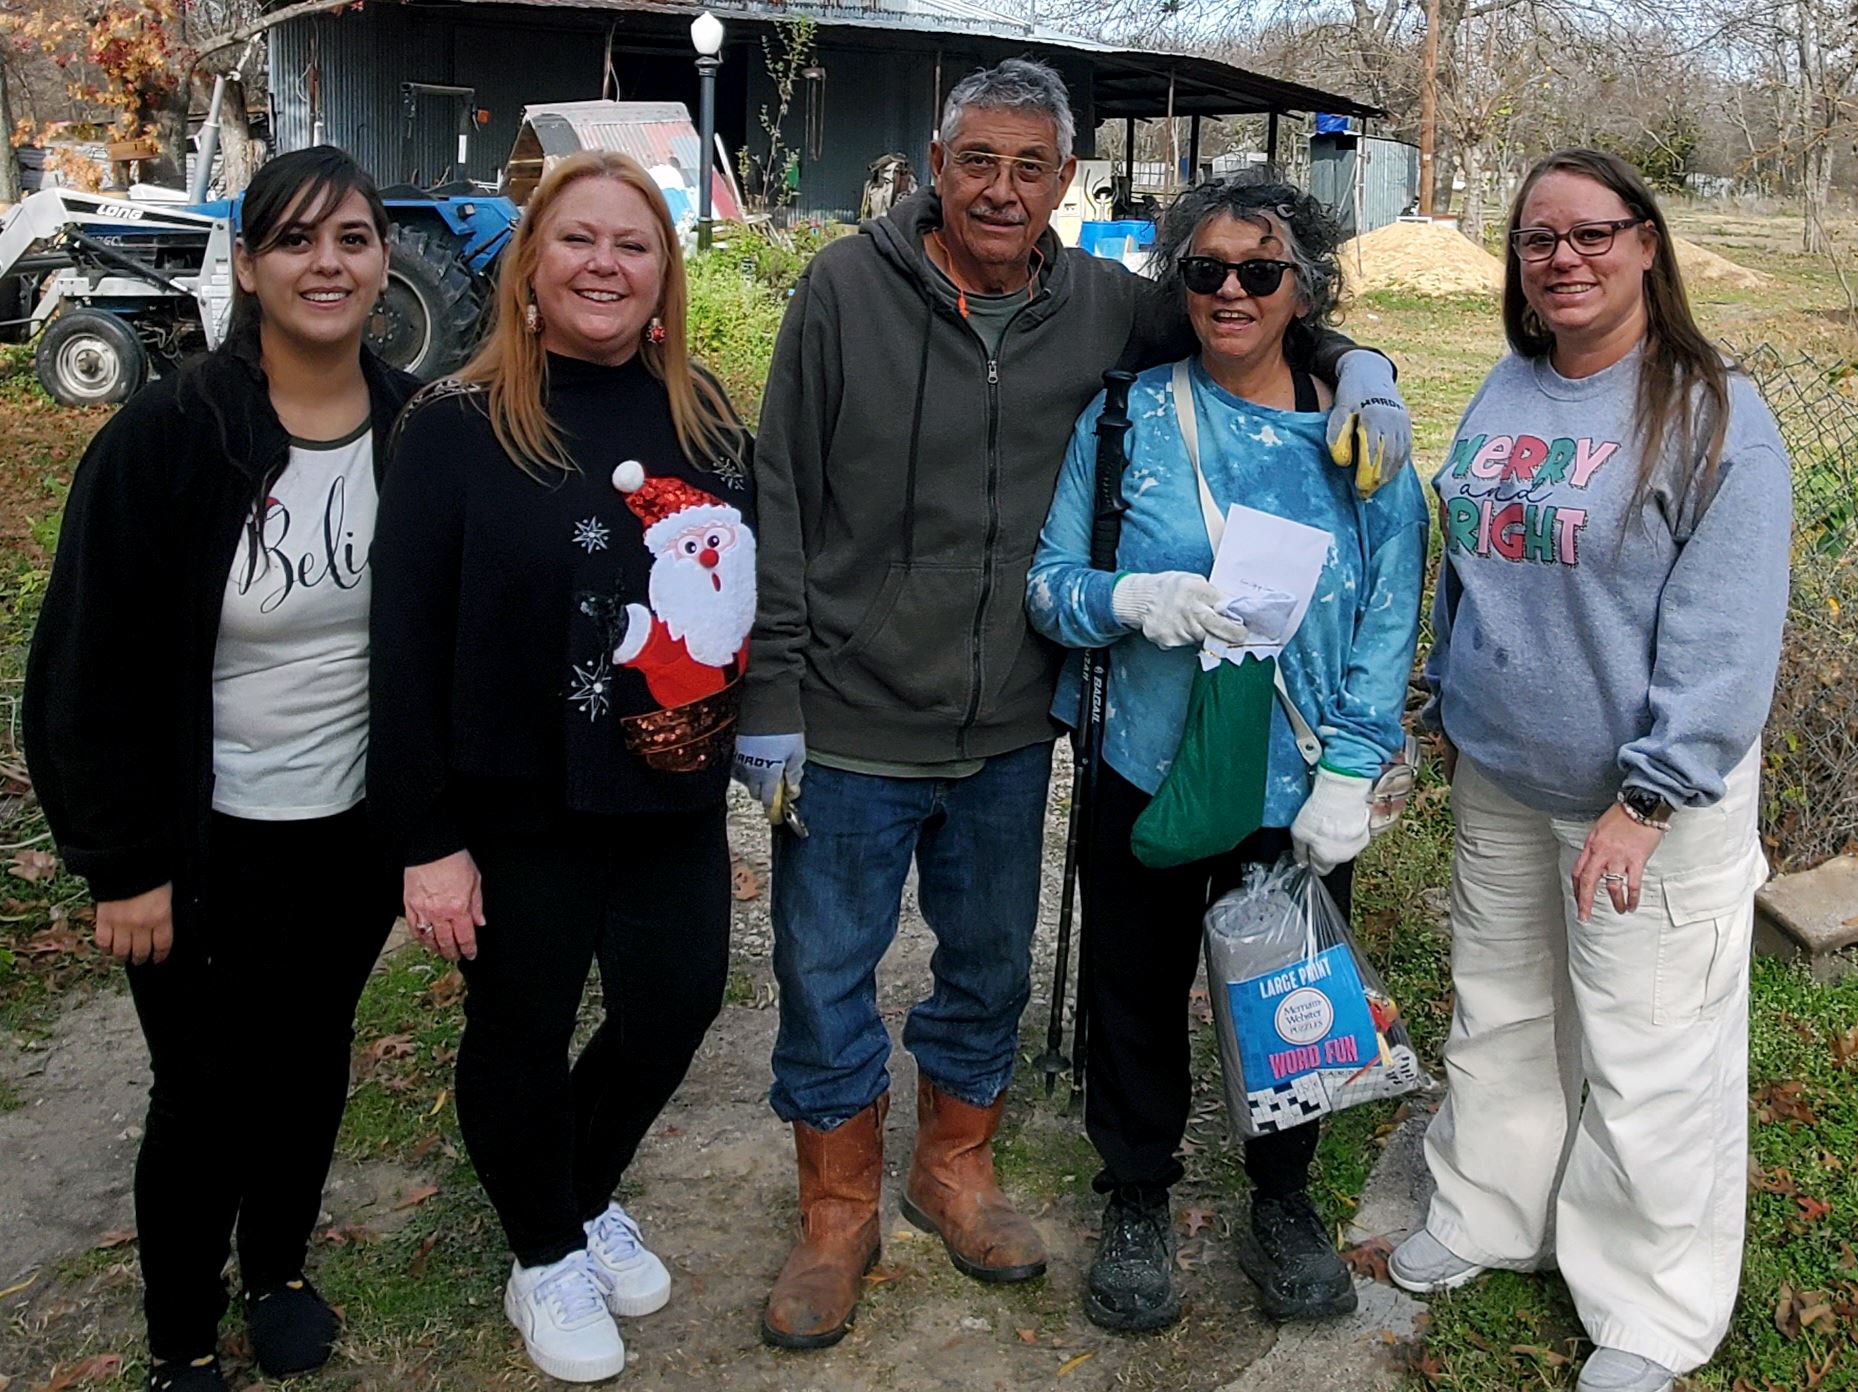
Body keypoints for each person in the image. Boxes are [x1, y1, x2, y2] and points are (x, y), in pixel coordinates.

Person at [735, 56, 1415, 1352]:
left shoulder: (1180, 348)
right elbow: (789, 494)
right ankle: (903, 1211)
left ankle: (1123, 1187)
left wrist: (1365, 370)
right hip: (968, 728)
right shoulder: (871, 304)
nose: (999, 187)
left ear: (1061, 180)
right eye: (975, 160)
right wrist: (772, 691)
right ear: (936, 164)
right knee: (895, 976)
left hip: (1147, 746)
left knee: (1113, 982)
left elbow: (1372, 554)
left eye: (1026, 165)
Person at [1388, 150, 1791, 1392]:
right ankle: (1491, 1208)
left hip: (1646, 809)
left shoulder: (1712, 409)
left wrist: (1650, 796)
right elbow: (1466, 564)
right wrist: (1448, 695)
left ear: (1647, 246)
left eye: (1591, 234)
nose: (1562, 258)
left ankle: (1650, 1311)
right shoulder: (1506, 392)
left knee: (1648, 1044)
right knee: (1500, 1008)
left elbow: (1727, 638)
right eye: (1536, 239)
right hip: (1503, 779)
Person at [21, 147, 419, 1392]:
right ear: (246, 265)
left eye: (350, 238)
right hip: (203, 840)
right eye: (295, 240)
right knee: (203, 1092)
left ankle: (280, 1270)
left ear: (381, 259)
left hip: (345, 828)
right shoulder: (170, 438)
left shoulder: (418, 430)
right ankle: (180, 1334)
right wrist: (123, 865)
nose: (327, 263)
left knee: (308, 1061)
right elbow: (89, 667)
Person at [369, 151, 754, 1384]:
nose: (605, 264)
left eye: (632, 246)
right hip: (515, 795)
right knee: (523, 1027)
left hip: (667, 788)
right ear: (532, 265)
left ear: (663, 276)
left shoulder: (701, 411)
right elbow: (406, 641)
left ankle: (577, 1199)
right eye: (579, 240)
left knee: (674, 1005)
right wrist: (427, 840)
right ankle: (544, 1253)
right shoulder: (451, 425)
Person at [1027, 175, 1427, 1331]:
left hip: (1297, 785)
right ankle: (1138, 1191)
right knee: (1134, 988)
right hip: (1149, 762)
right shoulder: (1127, 418)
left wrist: (1352, 768)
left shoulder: (1359, 438)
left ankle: (1283, 1199)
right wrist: (1125, 597)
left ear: (1305, 287)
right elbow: (1050, 588)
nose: (1232, 291)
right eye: (1205, 271)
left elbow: (1389, 613)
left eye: (1260, 270)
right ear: (1179, 284)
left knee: (1292, 1000)